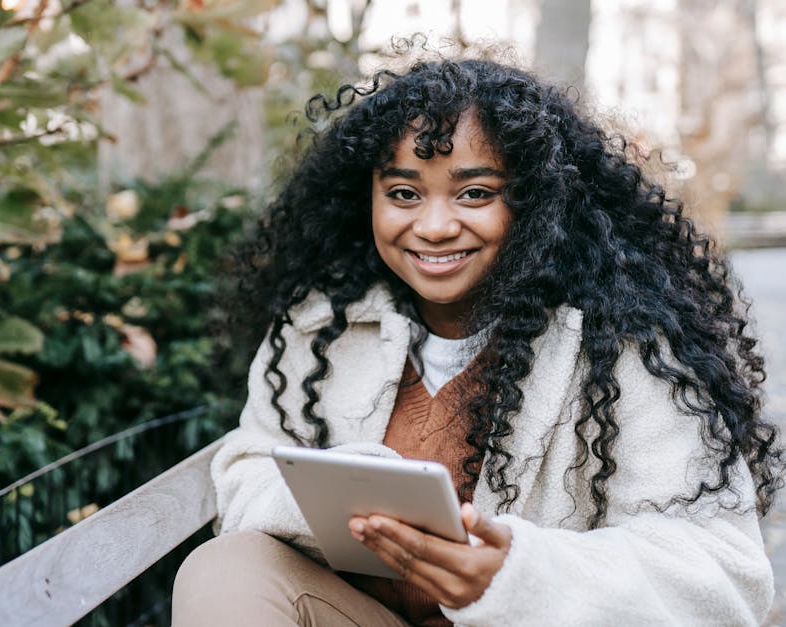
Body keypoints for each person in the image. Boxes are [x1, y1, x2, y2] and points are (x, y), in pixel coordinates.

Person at [171, 54, 783, 626]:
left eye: (475, 193)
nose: (434, 227)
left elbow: (724, 576)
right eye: (404, 193)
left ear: (537, 203)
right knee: (225, 566)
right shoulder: (321, 327)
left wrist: (518, 574)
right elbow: (248, 466)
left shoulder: (624, 347)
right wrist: (355, 496)